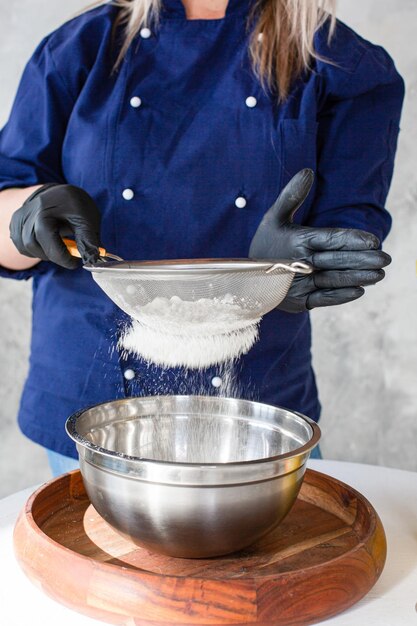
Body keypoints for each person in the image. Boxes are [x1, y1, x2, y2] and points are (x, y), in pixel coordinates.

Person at [0, 0, 404, 475]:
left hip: (255, 409)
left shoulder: (341, 63)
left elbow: (345, 236)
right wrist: (29, 214)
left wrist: (295, 269)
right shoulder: (81, 47)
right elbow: (6, 214)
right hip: (91, 402)